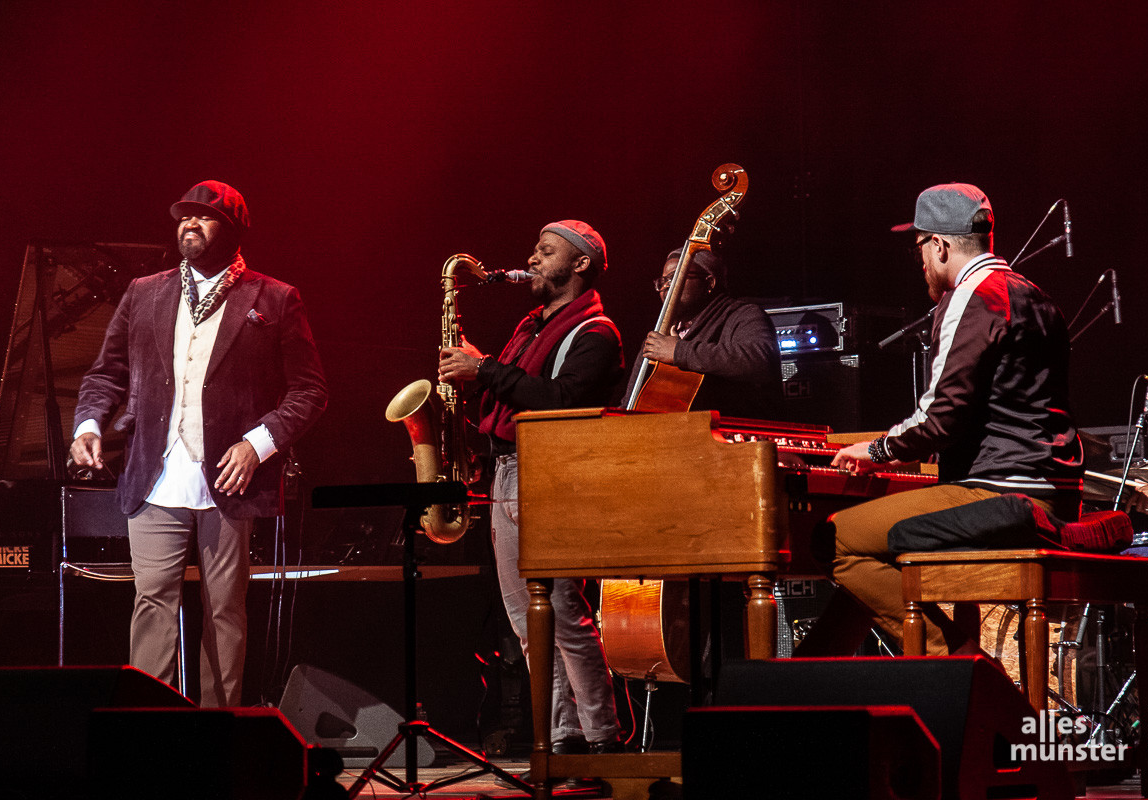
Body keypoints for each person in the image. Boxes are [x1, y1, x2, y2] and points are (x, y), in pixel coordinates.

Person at [796, 182, 1084, 657]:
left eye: (919, 250)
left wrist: (875, 452)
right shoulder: (1035, 296)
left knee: (834, 538)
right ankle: (812, 683)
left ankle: (959, 664)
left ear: (940, 245)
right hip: (1054, 491)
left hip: (1000, 493)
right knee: (874, 547)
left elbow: (939, 420)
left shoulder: (972, 296)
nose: (921, 265)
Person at [71, 180, 328, 706]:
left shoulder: (274, 298)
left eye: (204, 217)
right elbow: (106, 373)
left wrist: (259, 443)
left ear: (232, 231)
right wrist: (89, 424)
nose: (190, 224)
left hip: (230, 479)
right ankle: (147, 731)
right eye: (184, 216)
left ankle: (216, 737)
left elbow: (310, 390)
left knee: (225, 609)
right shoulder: (146, 292)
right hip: (156, 471)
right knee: (152, 602)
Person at [438, 220, 624, 753]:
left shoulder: (596, 331)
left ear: (580, 263)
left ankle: (603, 738)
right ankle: (563, 736)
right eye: (535, 251)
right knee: (526, 621)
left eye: (546, 252)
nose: (533, 260)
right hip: (508, 472)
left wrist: (486, 370)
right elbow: (516, 393)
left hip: (551, 475)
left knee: (564, 611)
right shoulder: (532, 326)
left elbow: (563, 400)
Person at [622, 247, 783, 418]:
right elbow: (630, 403)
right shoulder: (660, 335)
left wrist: (679, 352)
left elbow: (761, 361)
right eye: (663, 281)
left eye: (676, 277)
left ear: (709, 283)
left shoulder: (743, 315)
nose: (667, 286)